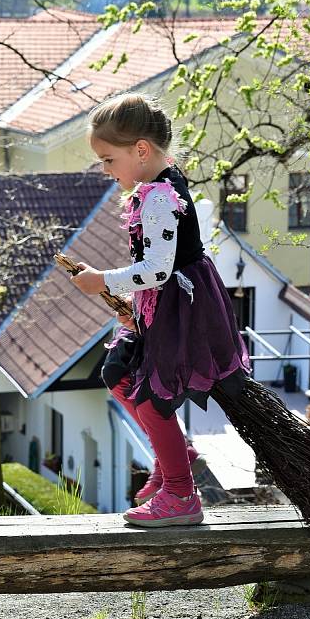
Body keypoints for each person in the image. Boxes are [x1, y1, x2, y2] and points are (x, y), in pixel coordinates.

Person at [70, 92, 252, 527]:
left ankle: (180, 494)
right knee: (116, 374)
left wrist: (102, 281)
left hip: (182, 308)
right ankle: (175, 454)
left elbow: (156, 269)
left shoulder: (159, 197)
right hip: (161, 302)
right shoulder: (151, 189)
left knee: (153, 400)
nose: (105, 169)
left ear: (141, 150)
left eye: (108, 159)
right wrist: (133, 306)